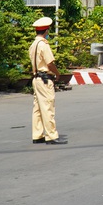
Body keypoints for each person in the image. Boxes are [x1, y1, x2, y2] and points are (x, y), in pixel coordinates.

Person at [29, 17, 67, 145]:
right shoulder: (43, 45)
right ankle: (51, 136)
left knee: (38, 108)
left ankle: (37, 134)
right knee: (47, 107)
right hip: (45, 79)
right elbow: (50, 64)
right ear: (46, 30)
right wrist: (57, 74)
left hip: (36, 79)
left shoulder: (33, 45)